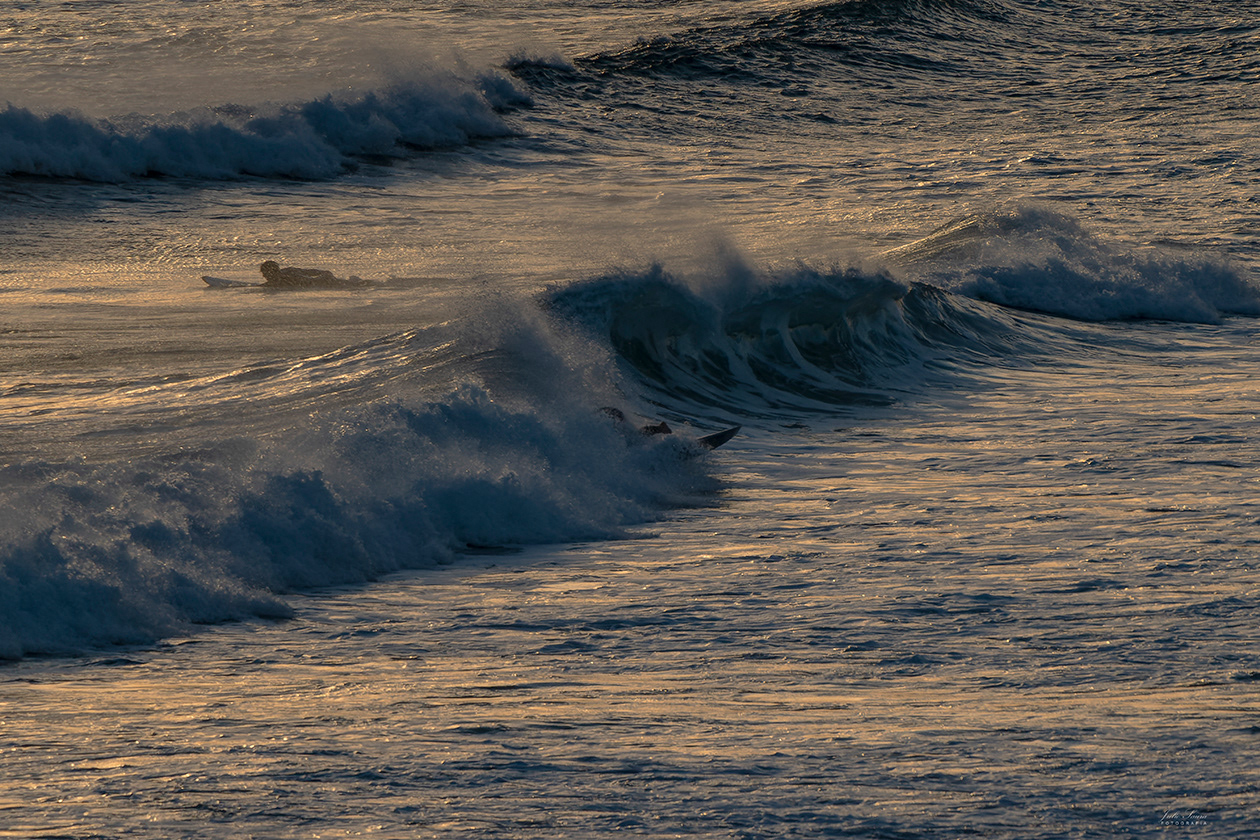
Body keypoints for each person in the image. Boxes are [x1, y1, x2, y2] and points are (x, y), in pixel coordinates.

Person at [258, 261, 364, 288]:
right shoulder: (289, 271)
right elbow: (309, 271)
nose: (263, 276)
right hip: (324, 279)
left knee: (355, 286)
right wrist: (322, 272)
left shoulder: (282, 280)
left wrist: (323, 274)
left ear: (271, 272)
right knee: (352, 284)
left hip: (324, 282)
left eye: (264, 273)